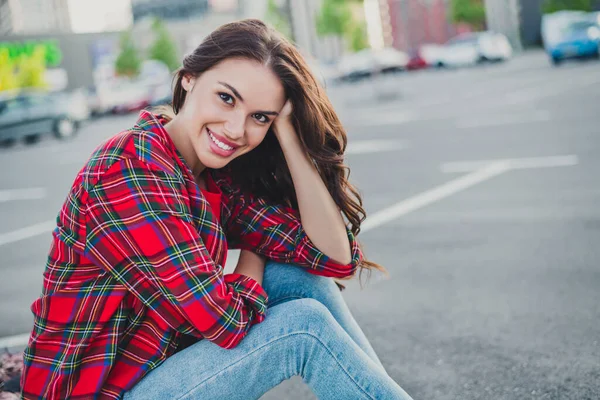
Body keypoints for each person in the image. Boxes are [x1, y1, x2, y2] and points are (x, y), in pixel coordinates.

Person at [20, 19, 413, 400]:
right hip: (100, 391)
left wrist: (290, 136)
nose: (236, 129)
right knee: (303, 328)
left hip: (153, 370)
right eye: (226, 98)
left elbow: (334, 258)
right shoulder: (130, 169)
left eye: (260, 117)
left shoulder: (212, 174)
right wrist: (256, 252)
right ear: (189, 77)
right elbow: (223, 322)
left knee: (301, 281)